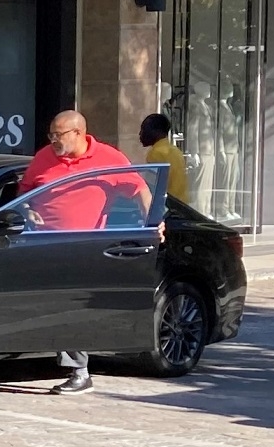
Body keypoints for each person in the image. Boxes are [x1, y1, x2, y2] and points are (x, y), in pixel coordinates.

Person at [17, 109, 130, 395]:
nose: (53, 140)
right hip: (42, 244)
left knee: (69, 304)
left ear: (79, 133)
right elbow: (24, 191)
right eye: (51, 134)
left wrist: (155, 223)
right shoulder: (43, 157)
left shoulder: (109, 158)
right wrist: (27, 210)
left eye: (59, 135)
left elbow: (138, 187)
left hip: (85, 246)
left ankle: (79, 371)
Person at [139, 111, 191, 206]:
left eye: (143, 129)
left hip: (167, 207)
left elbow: (153, 188)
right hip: (182, 206)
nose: (140, 134)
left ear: (155, 131)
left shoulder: (155, 153)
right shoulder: (176, 151)